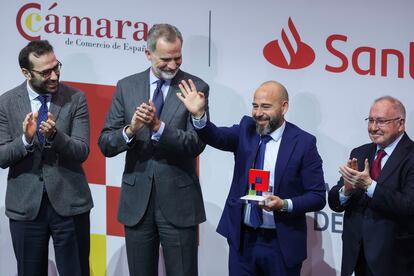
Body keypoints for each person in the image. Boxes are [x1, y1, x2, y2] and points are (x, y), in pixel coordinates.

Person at [177, 80, 326, 276]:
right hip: (244, 241)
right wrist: (198, 115)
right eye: (255, 105)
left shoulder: (304, 143)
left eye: (265, 106)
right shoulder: (246, 129)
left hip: (281, 244)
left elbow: (317, 195)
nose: (257, 113)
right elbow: (215, 136)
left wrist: (284, 204)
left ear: (284, 107)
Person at [98, 23, 209, 276]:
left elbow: (196, 144)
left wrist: (159, 127)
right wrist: (131, 129)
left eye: (178, 58)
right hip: (137, 204)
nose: (173, 65)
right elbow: (105, 144)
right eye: (165, 59)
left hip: (180, 204)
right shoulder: (126, 86)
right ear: (148, 54)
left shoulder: (195, 88)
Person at [0, 40, 93, 276]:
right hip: (25, 208)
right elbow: (2, 157)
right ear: (26, 73)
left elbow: (82, 150)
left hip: (70, 204)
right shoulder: (6, 103)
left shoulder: (76, 98)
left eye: (56, 67)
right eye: (45, 72)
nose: (54, 76)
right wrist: (26, 139)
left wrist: (55, 135)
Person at [328, 96, 414, 276]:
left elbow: (408, 205)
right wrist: (347, 191)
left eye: (381, 121)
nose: (373, 127)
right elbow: (335, 201)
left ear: (400, 124)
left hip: (394, 261)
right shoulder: (360, 152)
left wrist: (369, 186)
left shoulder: (411, 156)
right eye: (371, 120)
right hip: (357, 257)